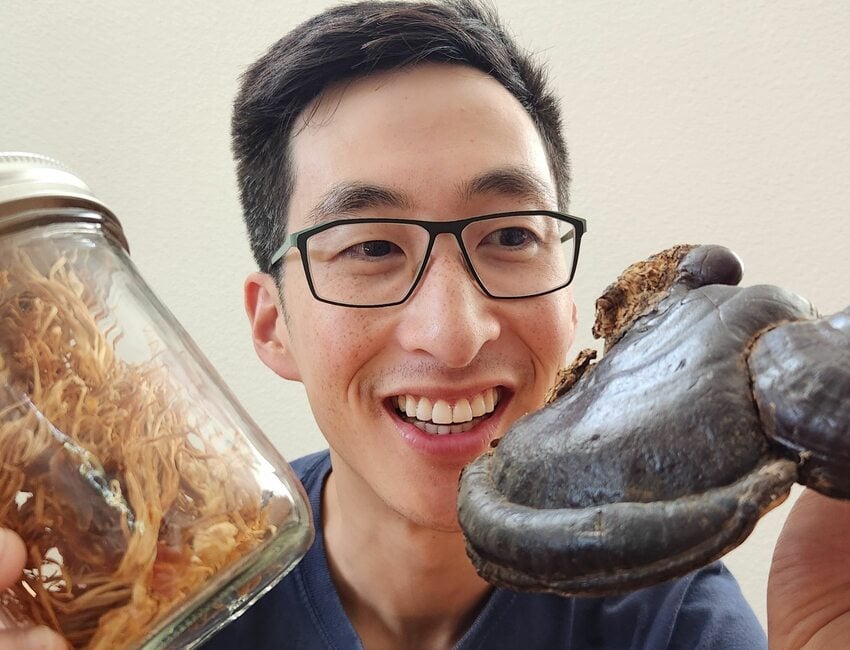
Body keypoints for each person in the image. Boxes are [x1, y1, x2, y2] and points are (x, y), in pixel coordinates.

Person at [1, 1, 848, 648]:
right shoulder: (153, 597)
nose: (452, 333)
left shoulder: (668, 616)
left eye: (512, 236)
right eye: (370, 247)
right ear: (273, 326)